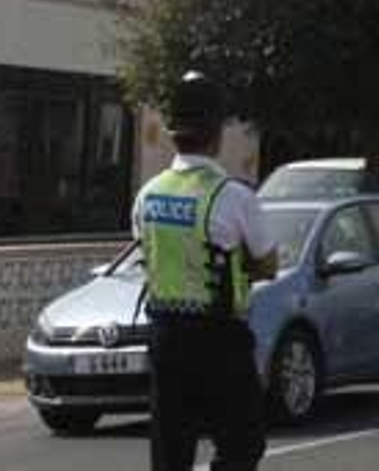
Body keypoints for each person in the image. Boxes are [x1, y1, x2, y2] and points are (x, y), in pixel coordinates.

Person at [134, 71, 278, 471]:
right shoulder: (233, 197)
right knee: (242, 443)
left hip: (165, 336)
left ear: (172, 133)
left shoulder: (148, 195)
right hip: (219, 338)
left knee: (170, 451)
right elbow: (268, 263)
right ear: (216, 134)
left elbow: (148, 249)